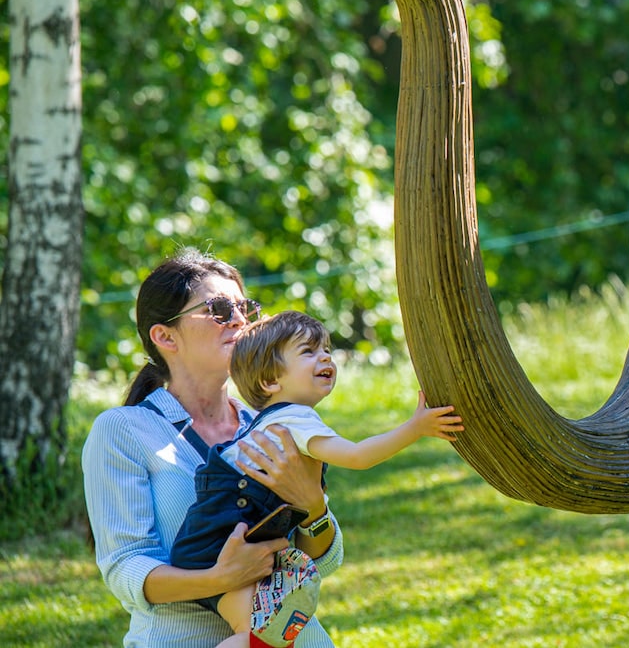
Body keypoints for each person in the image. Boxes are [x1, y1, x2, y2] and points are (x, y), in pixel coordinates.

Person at [83, 248, 344, 647]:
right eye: (220, 309)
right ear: (165, 336)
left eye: (245, 307)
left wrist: (313, 506)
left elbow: (321, 561)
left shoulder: (269, 425)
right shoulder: (123, 430)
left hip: (293, 637)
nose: (239, 320)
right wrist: (218, 580)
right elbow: (126, 569)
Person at [169, 310, 465, 648]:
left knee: (258, 636)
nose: (325, 356)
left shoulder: (266, 423)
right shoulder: (295, 419)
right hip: (225, 542)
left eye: (325, 349)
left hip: (206, 550)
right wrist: (416, 428)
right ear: (270, 381)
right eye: (308, 352)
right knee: (261, 634)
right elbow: (358, 455)